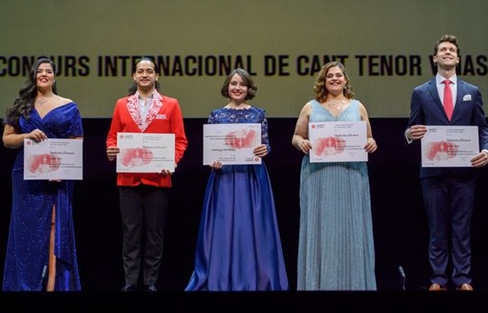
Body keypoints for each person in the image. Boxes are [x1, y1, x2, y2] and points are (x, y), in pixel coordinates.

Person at [185, 68, 289, 291]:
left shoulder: (258, 114)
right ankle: (221, 278)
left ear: (249, 88)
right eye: (234, 84)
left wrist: (264, 149)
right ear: (227, 87)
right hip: (224, 177)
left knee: (251, 228)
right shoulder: (216, 115)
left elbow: (266, 144)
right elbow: (212, 149)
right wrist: (213, 160)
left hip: (251, 178)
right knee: (223, 227)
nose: (238, 88)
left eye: (242, 84)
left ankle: (255, 278)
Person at [405, 34, 488, 291]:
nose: (448, 52)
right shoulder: (421, 92)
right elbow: (411, 126)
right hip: (434, 169)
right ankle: (438, 278)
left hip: (465, 170)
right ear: (435, 58)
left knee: (462, 227)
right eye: (443, 49)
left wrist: (486, 149)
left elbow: (482, 127)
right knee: (437, 228)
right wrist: (409, 135)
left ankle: (462, 277)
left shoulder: (471, 92)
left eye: (452, 49)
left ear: (458, 58)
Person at [291, 61, 378, 290]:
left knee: (351, 229)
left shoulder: (358, 107)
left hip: (351, 176)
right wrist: (303, 143)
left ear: (346, 80)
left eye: (339, 75)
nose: (335, 79)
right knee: (321, 229)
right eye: (330, 76)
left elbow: (369, 138)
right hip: (319, 177)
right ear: (323, 80)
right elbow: (296, 137)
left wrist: (371, 143)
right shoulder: (310, 107)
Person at [106, 57, 188, 293]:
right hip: (128, 178)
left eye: (149, 71)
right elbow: (113, 137)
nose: (144, 75)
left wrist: (171, 162)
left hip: (158, 178)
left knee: (154, 233)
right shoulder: (122, 104)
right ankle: (131, 281)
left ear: (156, 76)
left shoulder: (171, 104)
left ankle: (151, 281)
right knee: (130, 232)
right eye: (140, 71)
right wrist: (111, 150)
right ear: (134, 76)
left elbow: (180, 140)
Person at [2, 57, 83, 291]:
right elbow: (7, 139)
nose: (44, 74)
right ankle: (24, 286)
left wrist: (61, 170)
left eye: (48, 71)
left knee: (54, 230)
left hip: (57, 178)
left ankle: (52, 286)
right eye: (40, 71)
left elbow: (77, 141)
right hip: (25, 176)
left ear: (55, 77)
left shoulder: (69, 106)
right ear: (34, 76)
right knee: (25, 233)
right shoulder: (21, 105)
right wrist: (26, 136)